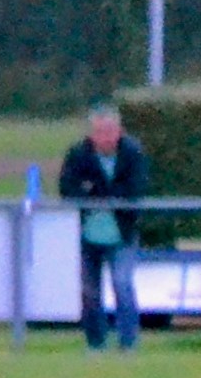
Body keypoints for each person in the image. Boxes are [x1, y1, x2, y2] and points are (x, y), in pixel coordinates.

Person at [57, 103, 147, 352]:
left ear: (119, 131)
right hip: (87, 236)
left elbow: (135, 189)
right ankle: (96, 343)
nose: (105, 137)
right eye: (99, 131)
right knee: (89, 292)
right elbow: (68, 189)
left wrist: (96, 191)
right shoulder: (78, 154)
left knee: (122, 284)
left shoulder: (133, 153)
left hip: (122, 234)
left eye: (110, 131)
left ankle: (128, 343)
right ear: (91, 133)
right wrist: (101, 194)